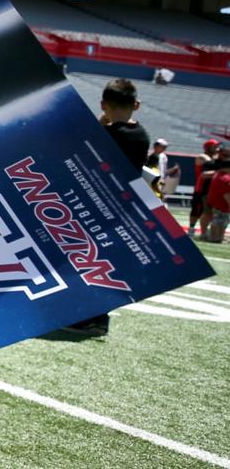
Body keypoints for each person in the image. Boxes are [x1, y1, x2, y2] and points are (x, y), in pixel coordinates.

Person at [67, 78, 150, 337]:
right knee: (105, 262)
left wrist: (100, 124)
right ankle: (97, 317)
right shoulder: (141, 135)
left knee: (87, 259)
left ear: (103, 104)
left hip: (97, 205)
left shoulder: (108, 133)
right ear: (136, 105)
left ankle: (88, 317)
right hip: (123, 209)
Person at [189, 139, 220, 237]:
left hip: (211, 187)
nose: (216, 148)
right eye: (214, 146)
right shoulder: (202, 156)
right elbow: (210, 162)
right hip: (201, 187)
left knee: (208, 210)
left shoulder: (215, 157)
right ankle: (191, 228)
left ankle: (205, 230)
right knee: (197, 209)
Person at [204, 146, 230, 244]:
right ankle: (216, 238)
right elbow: (227, 194)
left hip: (216, 202)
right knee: (221, 222)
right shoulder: (226, 178)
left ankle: (216, 237)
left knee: (218, 221)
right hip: (222, 204)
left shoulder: (218, 174)